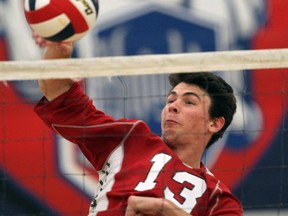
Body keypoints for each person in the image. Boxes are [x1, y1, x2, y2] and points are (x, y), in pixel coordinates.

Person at [33, 34, 243, 216]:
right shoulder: (131, 139)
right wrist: (57, 50)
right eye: (170, 100)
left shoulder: (218, 198)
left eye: (189, 102)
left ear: (215, 123)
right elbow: (61, 98)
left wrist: (164, 209)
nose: (173, 107)